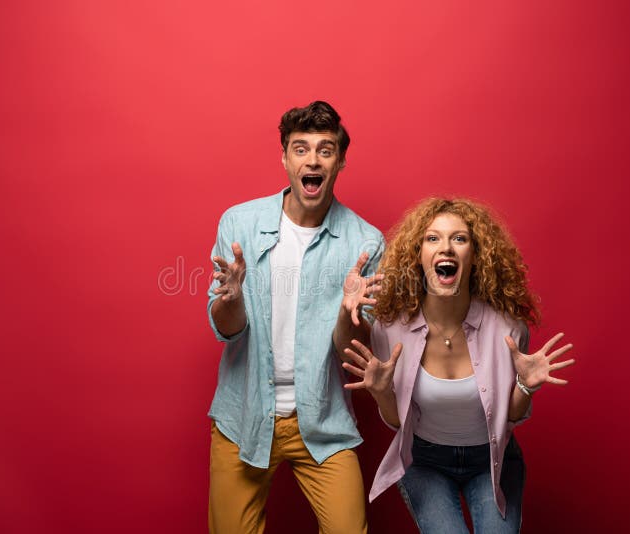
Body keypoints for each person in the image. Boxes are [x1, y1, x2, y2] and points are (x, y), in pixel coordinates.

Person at [334, 198, 575, 533]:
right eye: (432, 238)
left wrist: (525, 386)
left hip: (492, 461)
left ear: (475, 256)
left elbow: (511, 417)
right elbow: (395, 421)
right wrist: (380, 393)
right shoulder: (392, 329)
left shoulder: (506, 329)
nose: (445, 248)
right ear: (418, 255)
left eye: (459, 239)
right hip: (425, 461)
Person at [206, 101, 384, 534]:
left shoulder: (365, 242)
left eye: (325, 150)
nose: (313, 159)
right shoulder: (240, 223)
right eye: (301, 148)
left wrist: (349, 314)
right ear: (285, 158)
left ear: (340, 161)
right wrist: (229, 299)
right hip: (244, 416)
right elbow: (227, 331)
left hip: (321, 422)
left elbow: (349, 352)